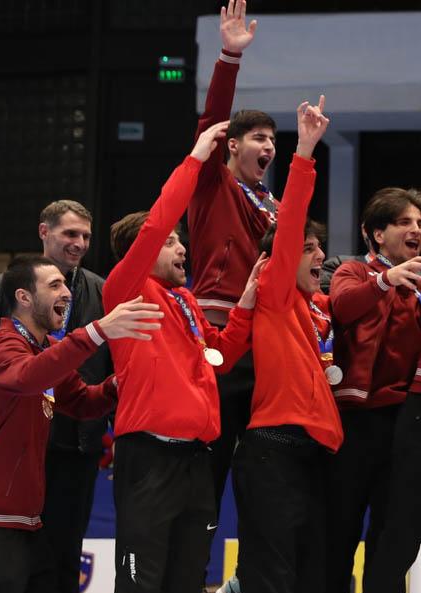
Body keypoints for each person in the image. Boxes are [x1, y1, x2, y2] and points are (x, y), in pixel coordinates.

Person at [102, 121, 261, 593]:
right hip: (148, 457)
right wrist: (194, 158)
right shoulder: (125, 289)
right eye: (172, 242)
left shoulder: (186, 302)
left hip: (195, 458)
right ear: (143, 252)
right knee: (140, 584)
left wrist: (249, 299)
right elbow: (156, 222)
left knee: (185, 580)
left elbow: (221, 357)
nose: (182, 248)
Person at [0, 255, 161, 593]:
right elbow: (30, 377)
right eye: (54, 285)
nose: (67, 293)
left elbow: (82, 403)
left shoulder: (43, 349)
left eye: (65, 284)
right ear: (24, 298)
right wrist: (96, 331)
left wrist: (116, 386)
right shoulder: (1, 346)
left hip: (26, 519)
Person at [216, 98, 342, 593]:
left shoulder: (318, 308)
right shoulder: (274, 292)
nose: (318, 256)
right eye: (307, 249)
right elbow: (288, 224)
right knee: (272, 581)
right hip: (274, 453)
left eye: (320, 248)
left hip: (316, 454)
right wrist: (306, 149)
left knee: (313, 579)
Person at [0, 198, 110, 593]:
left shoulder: (99, 289)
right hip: (13, 456)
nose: (79, 244)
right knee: (6, 576)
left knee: (57, 565)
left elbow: (87, 392)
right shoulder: (4, 303)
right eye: (70, 234)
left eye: (86, 236)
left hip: (73, 447)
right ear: (44, 232)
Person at [323, 158, 421, 593]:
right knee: (337, 534)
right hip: (354, 423)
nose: (417, 229)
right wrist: (386, 280)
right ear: (376, 233)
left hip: (409, 425)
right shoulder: (351, 270)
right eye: (404, 221)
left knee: (394, 541)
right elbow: (343, 307)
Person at [187, 0, 275, 526]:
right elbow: (212, 120)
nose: (268, 146)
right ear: (232, 146)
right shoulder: (212, 185)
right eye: (258, 138)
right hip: (217, 337)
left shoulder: (278, 207)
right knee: (210, 466)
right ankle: (190, 577)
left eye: (272, 139)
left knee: (259, 475)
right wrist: (228, 58)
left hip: (262, 344)